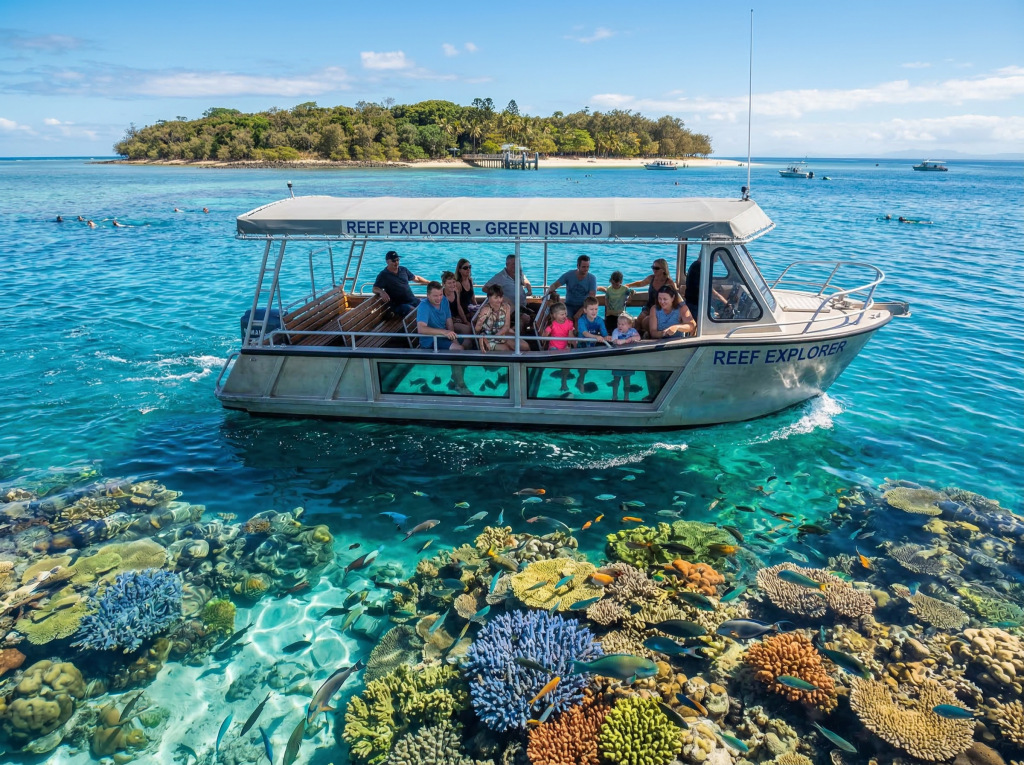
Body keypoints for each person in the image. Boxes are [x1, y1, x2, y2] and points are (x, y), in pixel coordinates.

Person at [417, 281, 467, 392]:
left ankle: (455, 373)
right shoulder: (424, 306)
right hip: (430, 340)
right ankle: (460, 385)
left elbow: (448, 320)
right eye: (435, 296)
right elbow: (421, 329)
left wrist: (452, 336)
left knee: (468, 342)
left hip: (443, 336)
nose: (439, 298)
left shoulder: (444, 300)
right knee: (459, 350)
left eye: (440, 295)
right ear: (428, 295)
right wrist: (444, 333)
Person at [626, 258, 679, 334]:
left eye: (656, 268)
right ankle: (635, 337)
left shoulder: (669, 282)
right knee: (638, 320)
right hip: (649, 306)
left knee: (646, 321)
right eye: (653, 267)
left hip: (662, 308)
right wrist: (628, 285)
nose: (654, 270)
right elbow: (641, 283)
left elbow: (675, 296)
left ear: (663, 270)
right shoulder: (651, 278)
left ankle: (650, 336)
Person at [484, 254, 534, 330]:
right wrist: (501, 297)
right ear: (507, 264)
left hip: (522, 305)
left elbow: (525, 280)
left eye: (517, 264)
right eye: (513, 264)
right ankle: (514, 338)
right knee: (525, 318)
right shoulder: (500, 277)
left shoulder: (519, 273)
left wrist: (529, 289)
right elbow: (485, 288)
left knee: (537, 312)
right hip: (510, 309)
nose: (516, 266)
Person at [474, 284, 529, 353]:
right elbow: (477, 329)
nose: (499, 300)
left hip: (501, 335)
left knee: (525, 347)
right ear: (489, 297)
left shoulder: (506, 307)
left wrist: (498, 336)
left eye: (500, 297)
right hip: (487, 339)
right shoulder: (485, 309)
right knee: (505, 349)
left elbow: (506, 326)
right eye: (496, 298)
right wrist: (480, 322)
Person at [373, 250, 427, 318]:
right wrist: (381, 291)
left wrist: (430, 283)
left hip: (413, 300)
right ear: (387, 262)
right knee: (415, 312)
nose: (396, 262)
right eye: (393, 261)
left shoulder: (403, 269)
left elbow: (416, 278)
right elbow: (374, 288)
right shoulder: (383, 275)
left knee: (428, 306)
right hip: (400, 305)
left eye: (397, 260)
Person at [545, 255, 596, 322]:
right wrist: (551, 292)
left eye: (588, 267)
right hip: (569, 306)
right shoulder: (569, 275)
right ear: (578, 266)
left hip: (583, 307)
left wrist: (580, 311)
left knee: (581, 321)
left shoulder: (592, 278)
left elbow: (591, 299)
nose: (586, 269)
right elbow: (554, 285)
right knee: (565, 320)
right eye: (583, 267)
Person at [574, 296, 609, 393]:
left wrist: (607, 337)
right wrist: (596, 337)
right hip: (582, 346)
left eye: (596, 309)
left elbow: (604, 334)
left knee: (587, 366)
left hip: (592, 347)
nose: (594, 311)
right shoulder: (582, 320)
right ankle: (580, 382)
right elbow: (585, 333)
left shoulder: (599, 320)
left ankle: (580, 381)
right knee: (583, 367)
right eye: (591, 309)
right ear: (585, 310)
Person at [610, 313, 641, 401]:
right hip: (617, 360)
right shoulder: (616, 331)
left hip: (628, 360)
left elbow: (638, 337)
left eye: (623, 324)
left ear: (629, 325)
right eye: (618, 324)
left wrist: (630, 339)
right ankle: (614, 396)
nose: (620, 326)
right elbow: (615, 341)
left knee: (627, 380)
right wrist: (624, 341)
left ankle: (626, 397)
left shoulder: (632, 331)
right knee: (616, 379)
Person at [441, 271, 473, 340]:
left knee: (472, 326)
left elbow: (459, 307)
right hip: (447, 321)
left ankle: (469, 344)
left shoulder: (455, 292)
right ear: (444, 284)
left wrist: (465, 321)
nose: (452, 285)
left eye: (454, 282)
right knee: (467, 329)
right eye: (449, 283)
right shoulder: (441, 296)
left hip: (457, 318)